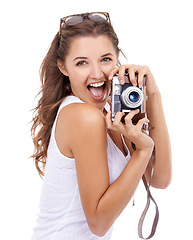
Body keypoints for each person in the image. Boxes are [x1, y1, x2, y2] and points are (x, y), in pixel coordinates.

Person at [31, 12, 172, 240]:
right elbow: (98, 223)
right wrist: (143, 151)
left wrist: (153, 95)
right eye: (82, 63)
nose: (97, 74)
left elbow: (159, 179)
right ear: (63, 67)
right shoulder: (83, 116)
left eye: (105, 59)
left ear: (117, 57)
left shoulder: (112, 113)